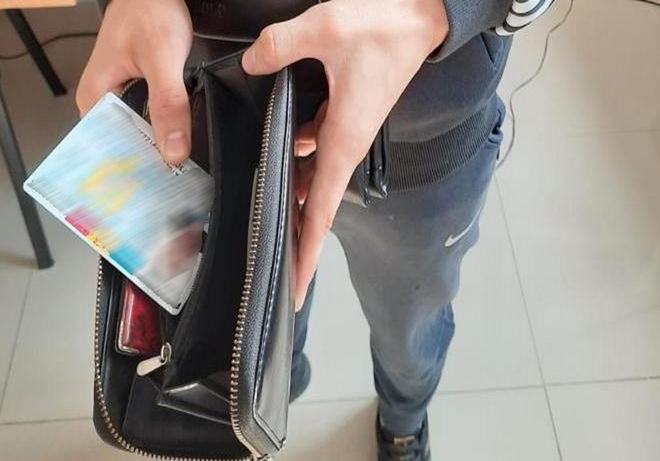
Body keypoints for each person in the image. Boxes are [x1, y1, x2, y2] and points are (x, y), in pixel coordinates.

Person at [76, 1, 553, 459]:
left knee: (408, 331)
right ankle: (272, 382)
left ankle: (403, 420)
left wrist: (433, 11)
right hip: (224, 113)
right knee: (249, 321)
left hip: (419, 135)